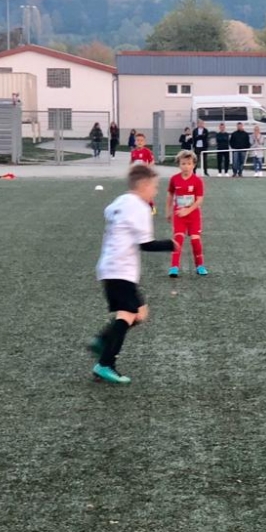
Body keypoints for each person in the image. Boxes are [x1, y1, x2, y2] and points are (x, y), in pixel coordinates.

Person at [89, 164, 176, 384]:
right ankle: (105, 364)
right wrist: (171, 244)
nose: (155, 191)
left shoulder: (119, 201)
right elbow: (146, 244)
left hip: (110, 266)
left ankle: (104, 340)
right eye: (154, 186)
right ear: (144, 185)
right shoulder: (139, 207)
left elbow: (110, 214)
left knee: (140, 314)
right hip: (121, 269)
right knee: (127, 314)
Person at [166, 150, 208, 278]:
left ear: (194, 165)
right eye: (183, 163)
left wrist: (188, 211)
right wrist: (168, 211)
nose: (186, 166)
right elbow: (170, 195)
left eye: (189, 164)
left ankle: (200, 265)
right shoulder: (174, 179)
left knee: (195, 240)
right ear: (179, 164)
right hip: (179, 215)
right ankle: (174, 267)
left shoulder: (197, 181)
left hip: (193, 216)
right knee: (178, 239)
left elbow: (199, 200)